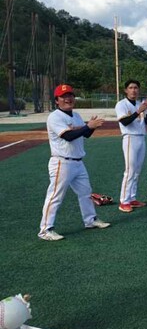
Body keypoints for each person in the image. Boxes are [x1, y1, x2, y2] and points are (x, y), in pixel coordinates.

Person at [38, 84, 111, 241]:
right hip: (62, 162)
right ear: (56, 100)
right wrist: (88, 126)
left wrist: (91, 127)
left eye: (70, 95)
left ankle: (90, 220)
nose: (68, 99)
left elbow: (85, 135)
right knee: (55, 196)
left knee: (85, 192)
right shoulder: (55, 117)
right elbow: (68, 136)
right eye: (64, 96)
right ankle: (45, 230)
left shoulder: (76, 115)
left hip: (78, 162)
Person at [115, 80, 147, 213]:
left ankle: (132, 198)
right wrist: (138, 111)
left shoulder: (139, 104)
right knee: (130, 170)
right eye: (130, 88)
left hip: (141, 137)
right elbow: (125, 122)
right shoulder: (121, 104)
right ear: (126, 90)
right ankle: (124, 201)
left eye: (136, 88)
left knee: (137, 170)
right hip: (130, 137)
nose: (133, 90)